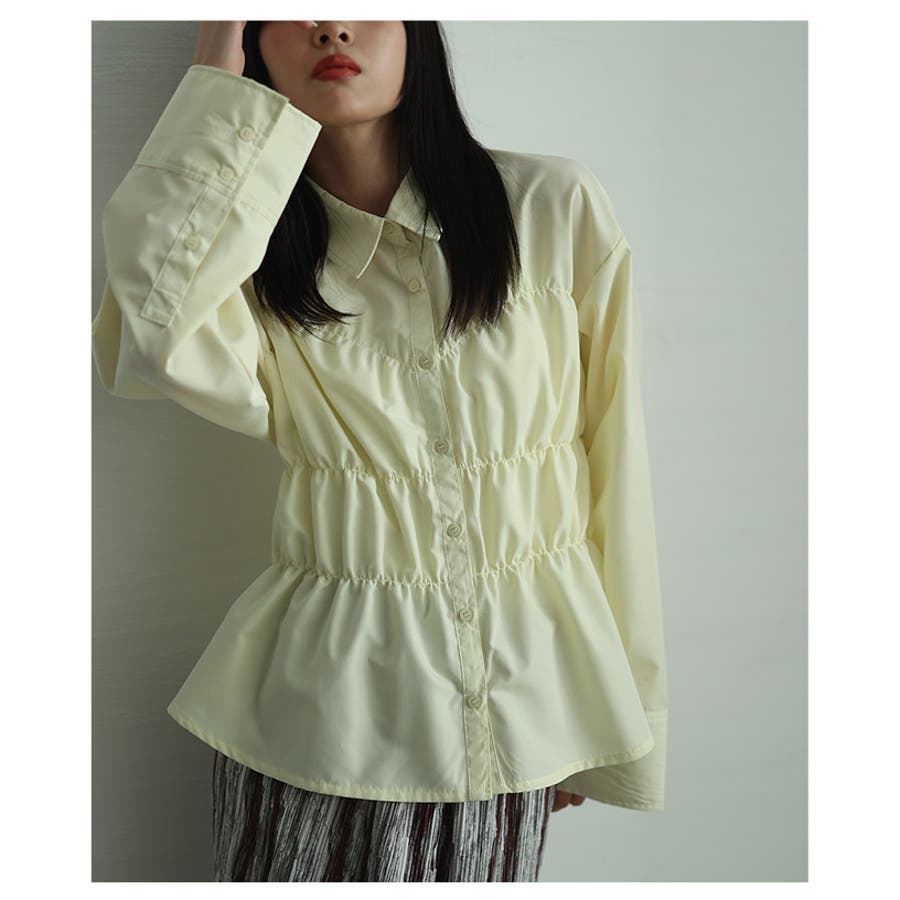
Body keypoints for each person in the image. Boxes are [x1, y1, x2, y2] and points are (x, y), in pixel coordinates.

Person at [92, 19, 667, 883]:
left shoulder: (553, 208)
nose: (330, 24)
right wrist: (216, 81)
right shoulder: (245, 258)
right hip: (310, 730)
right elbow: (148, 340)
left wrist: (619, 719)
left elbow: (617, 474)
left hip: (521, 716)